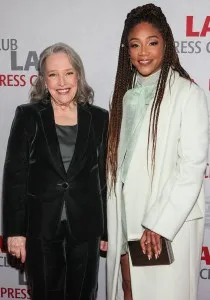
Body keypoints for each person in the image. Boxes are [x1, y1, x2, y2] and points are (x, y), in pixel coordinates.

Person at [105, 4, 208, 300]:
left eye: (152, 42)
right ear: (127, 50)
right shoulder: (125, 95)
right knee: (129, 289)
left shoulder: (189, 94)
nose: (143, 52)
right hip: (126, 218)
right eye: (135, 45)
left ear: (166, 44)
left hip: (165, 223)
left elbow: (191, 166)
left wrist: (159, 223)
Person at [3, 42, 108, 300]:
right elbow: (15, 175)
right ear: (43, 80)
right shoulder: (28, 116)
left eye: (68, 72)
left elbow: (104, 178)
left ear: (79, 75)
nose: (62, 81)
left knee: (84, 294)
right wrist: (15, 231)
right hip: (41, 227)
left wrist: (107, 230)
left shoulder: (99, 118)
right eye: (53, 74)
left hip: (86, 227)